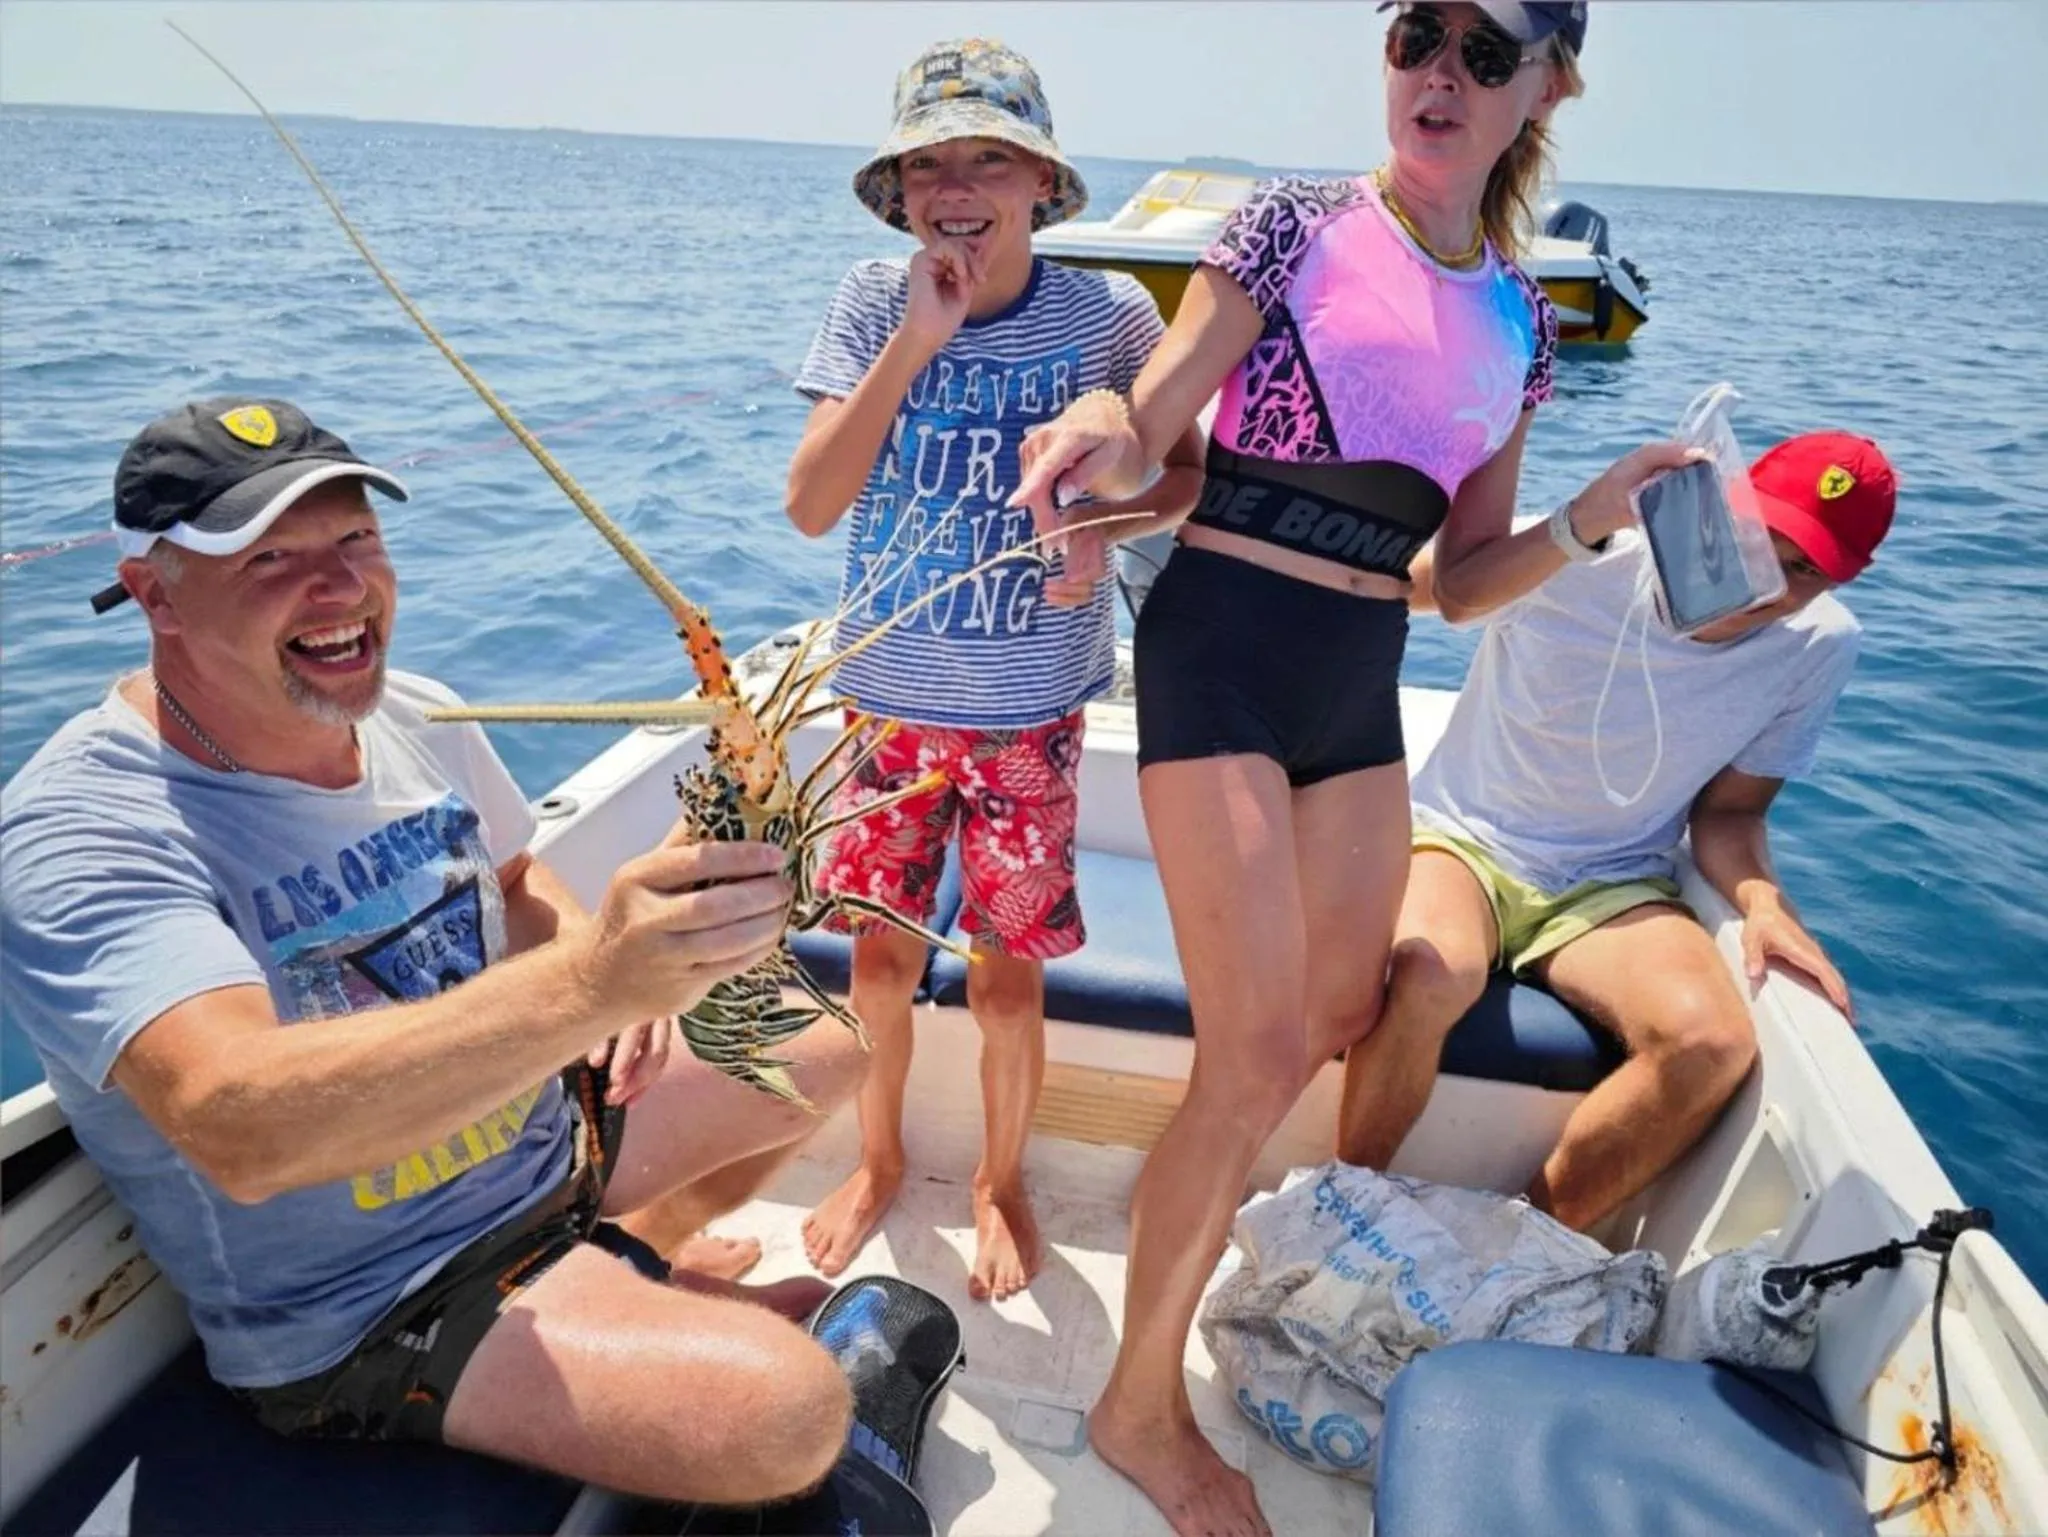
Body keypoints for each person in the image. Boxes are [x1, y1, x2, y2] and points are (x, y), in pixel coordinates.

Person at [1, 398, 870, 1507]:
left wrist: (612, 987)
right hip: (376, 1294)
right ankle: (615, 1294)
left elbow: (515, 881)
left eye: (355, 537)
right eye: (269, 558)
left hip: (535, 1143)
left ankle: (637, 1256)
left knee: (823, 1044)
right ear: (154, 594)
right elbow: (238, 1125)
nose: (340, 586)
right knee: (788, 1413)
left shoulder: (416, 713)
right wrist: (592, 981)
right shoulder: (85, 829)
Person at [1009, 5, 1619, 1531]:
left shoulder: (1525, 320)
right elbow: (1152, 432)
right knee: (1247, 1058)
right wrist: (1097, 424)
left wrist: (1590, 519)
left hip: (1360, 678)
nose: (1442, 72)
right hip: (1224, 642)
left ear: (1547, 87)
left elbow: (1461, 580)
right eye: (1421, 34)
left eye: (1488, 52)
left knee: (1331, 1020)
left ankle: (1206, 1223)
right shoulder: (1294, 225)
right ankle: (1138, 1406)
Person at [783, 39, 1204, 1301]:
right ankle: (877, 1161)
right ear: (898, 189)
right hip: (884, 711)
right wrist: (915, 342)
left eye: (986, 157)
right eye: (927, 163)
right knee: (875, 965)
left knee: (1009, 981)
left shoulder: (1108, 317)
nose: (954, 186)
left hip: (1027, 716)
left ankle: (996, 1179)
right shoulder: (871, 301)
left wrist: (1100, 524)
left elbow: (1183, 480)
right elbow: (810, 504)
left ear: (1038, 182)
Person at [1338, 430, 1897, 1230]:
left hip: (1613, 879)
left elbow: (1731, 811)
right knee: (1430, 971)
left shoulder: (1820, 645)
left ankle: (1514, 1246)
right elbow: (1404, 586)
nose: (1768, 582)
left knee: (1710, 1043)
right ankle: (1344, 1203)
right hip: (1462, 838)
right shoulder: (1583, 555)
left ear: (1847, 579)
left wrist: (1763, 901)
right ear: (1722, 504)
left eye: (1805, 569)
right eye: (1759, 540)